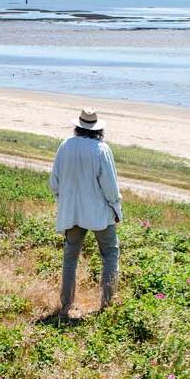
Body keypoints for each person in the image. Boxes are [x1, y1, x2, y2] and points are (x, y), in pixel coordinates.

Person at [49, 108, 122, 320]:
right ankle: (107, 305)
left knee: (70, 258)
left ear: (78, 126)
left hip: (71, 212)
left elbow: (54, 182)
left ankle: (66, 305)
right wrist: (116, 209)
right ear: (98, 129)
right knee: (110, 253)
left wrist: (64, 201)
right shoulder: (101, 149)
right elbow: (110, 187)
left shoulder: (65, 146)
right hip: (99, 213)